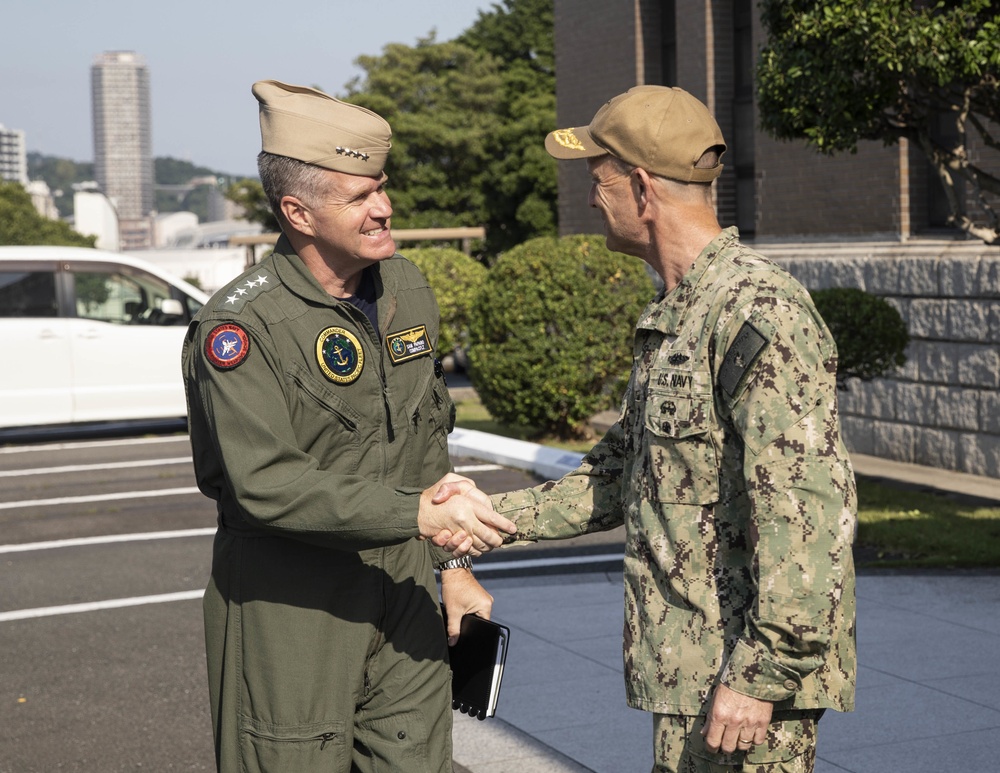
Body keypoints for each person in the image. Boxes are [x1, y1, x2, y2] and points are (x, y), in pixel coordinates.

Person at [439, 85, 857, 773]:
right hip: (692, 672)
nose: (588, 197)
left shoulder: (755, 311)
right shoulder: (679, 314)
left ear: (639, 188)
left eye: (595, 179)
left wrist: (760, 676)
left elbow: (807, 513)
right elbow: (617, 474)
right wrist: (482, 517)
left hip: (744, 688)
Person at [182, 79, 516, 773]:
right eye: (360, 197)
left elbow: (425, 436)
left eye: (382, 188)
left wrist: (451, 567)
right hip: (292, 603)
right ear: (298, 212)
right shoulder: (240, 326)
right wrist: (417, 513)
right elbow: (263, 483)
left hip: (402, 584)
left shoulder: (406, 288)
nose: (385, 208)